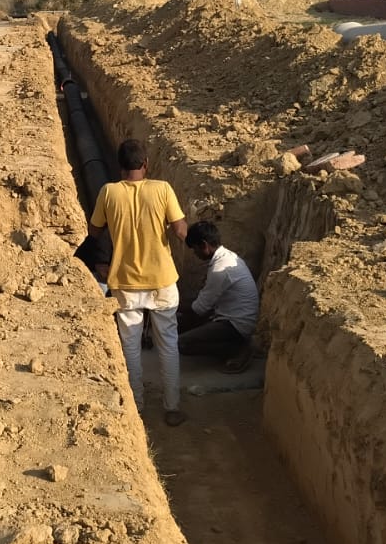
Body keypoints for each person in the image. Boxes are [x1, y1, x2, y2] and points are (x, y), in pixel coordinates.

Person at [90, 139, 189, 426]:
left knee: (130, 347)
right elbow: (180, 229)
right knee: (168, 344)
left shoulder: (108, 192)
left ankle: (137, 405)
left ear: (120, 166)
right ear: (146, 164)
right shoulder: (163, 189)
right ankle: (172, 406)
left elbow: (94, 230)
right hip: (162, 280)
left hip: (125, 282)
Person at [179, 221, 261, 373]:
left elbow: (199, 309)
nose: (195, 254)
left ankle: (237, 349)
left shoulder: (220, 269)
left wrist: (169, 306)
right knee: (182, 325)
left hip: (236, 325)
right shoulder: (227, 256)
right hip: (231, 317)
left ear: (204, 245)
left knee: (181, 343)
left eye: (195, 249)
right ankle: (235, 344)